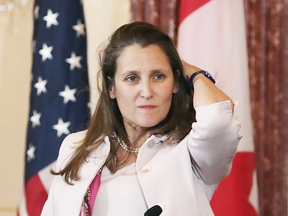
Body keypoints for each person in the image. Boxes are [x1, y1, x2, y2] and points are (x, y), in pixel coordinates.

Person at [41, 21, 242, 216]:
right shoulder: (76, 147)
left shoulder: (191, 148)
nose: (146, 92)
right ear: (112, 88)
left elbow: (218, 119)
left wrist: (192, 72)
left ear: (175, 83)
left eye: (158, 76)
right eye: (132, 78)